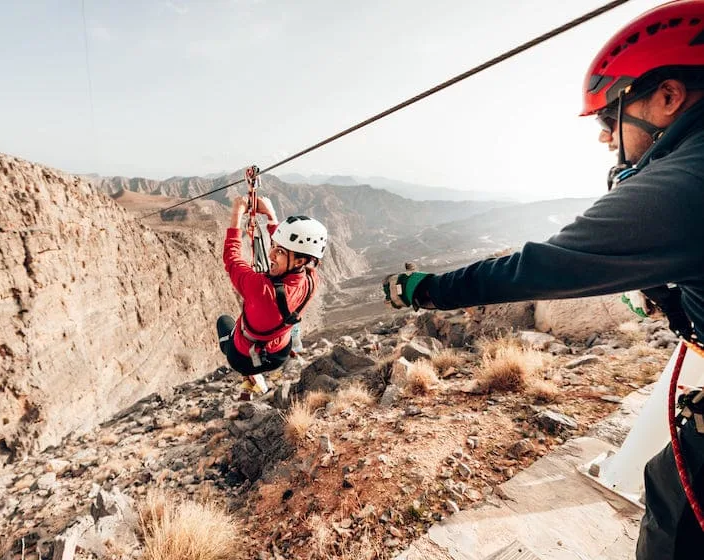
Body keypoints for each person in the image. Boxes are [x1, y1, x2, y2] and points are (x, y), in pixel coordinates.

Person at [383, 1, 704, 557]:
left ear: (668, 96)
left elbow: (539, 268)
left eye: (611, 116)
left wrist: (428, 290)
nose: (606, 138)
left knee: (674, 521)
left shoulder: (682, 183)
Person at [218, 195, 327, 399]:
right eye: (273, 247)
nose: (270, 255)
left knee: (224, 322)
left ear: (299, 260)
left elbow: (232, 259)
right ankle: (292, 345)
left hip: (243, 359)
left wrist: (237, 214)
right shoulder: (312, 280)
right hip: (279, 355)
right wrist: (271, 217)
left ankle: (250, 375)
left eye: (278, 252)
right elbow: (291, 251)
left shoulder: (260, 288)